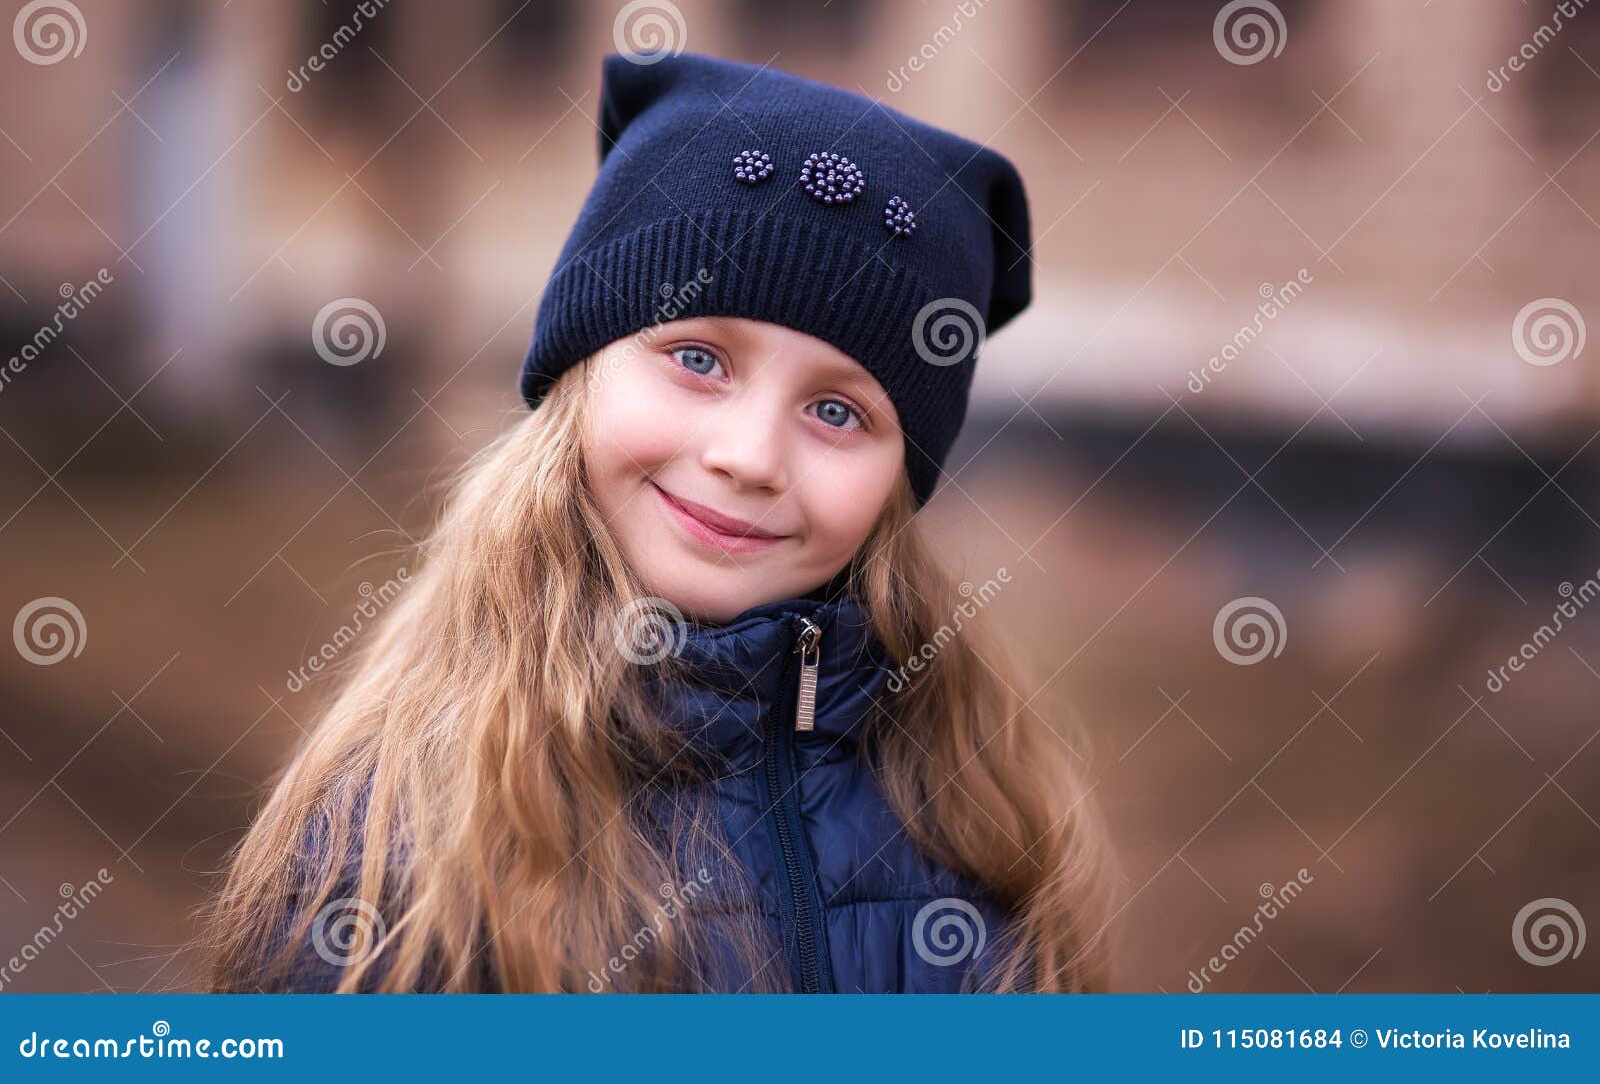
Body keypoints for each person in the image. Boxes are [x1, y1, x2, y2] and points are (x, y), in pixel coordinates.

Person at [205, 49, 1113, 993]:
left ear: (900, 478)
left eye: (838, 412)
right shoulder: (398, 844)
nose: (750, 457)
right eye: (699, 358)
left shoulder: (981, 820)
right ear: (582, 376)